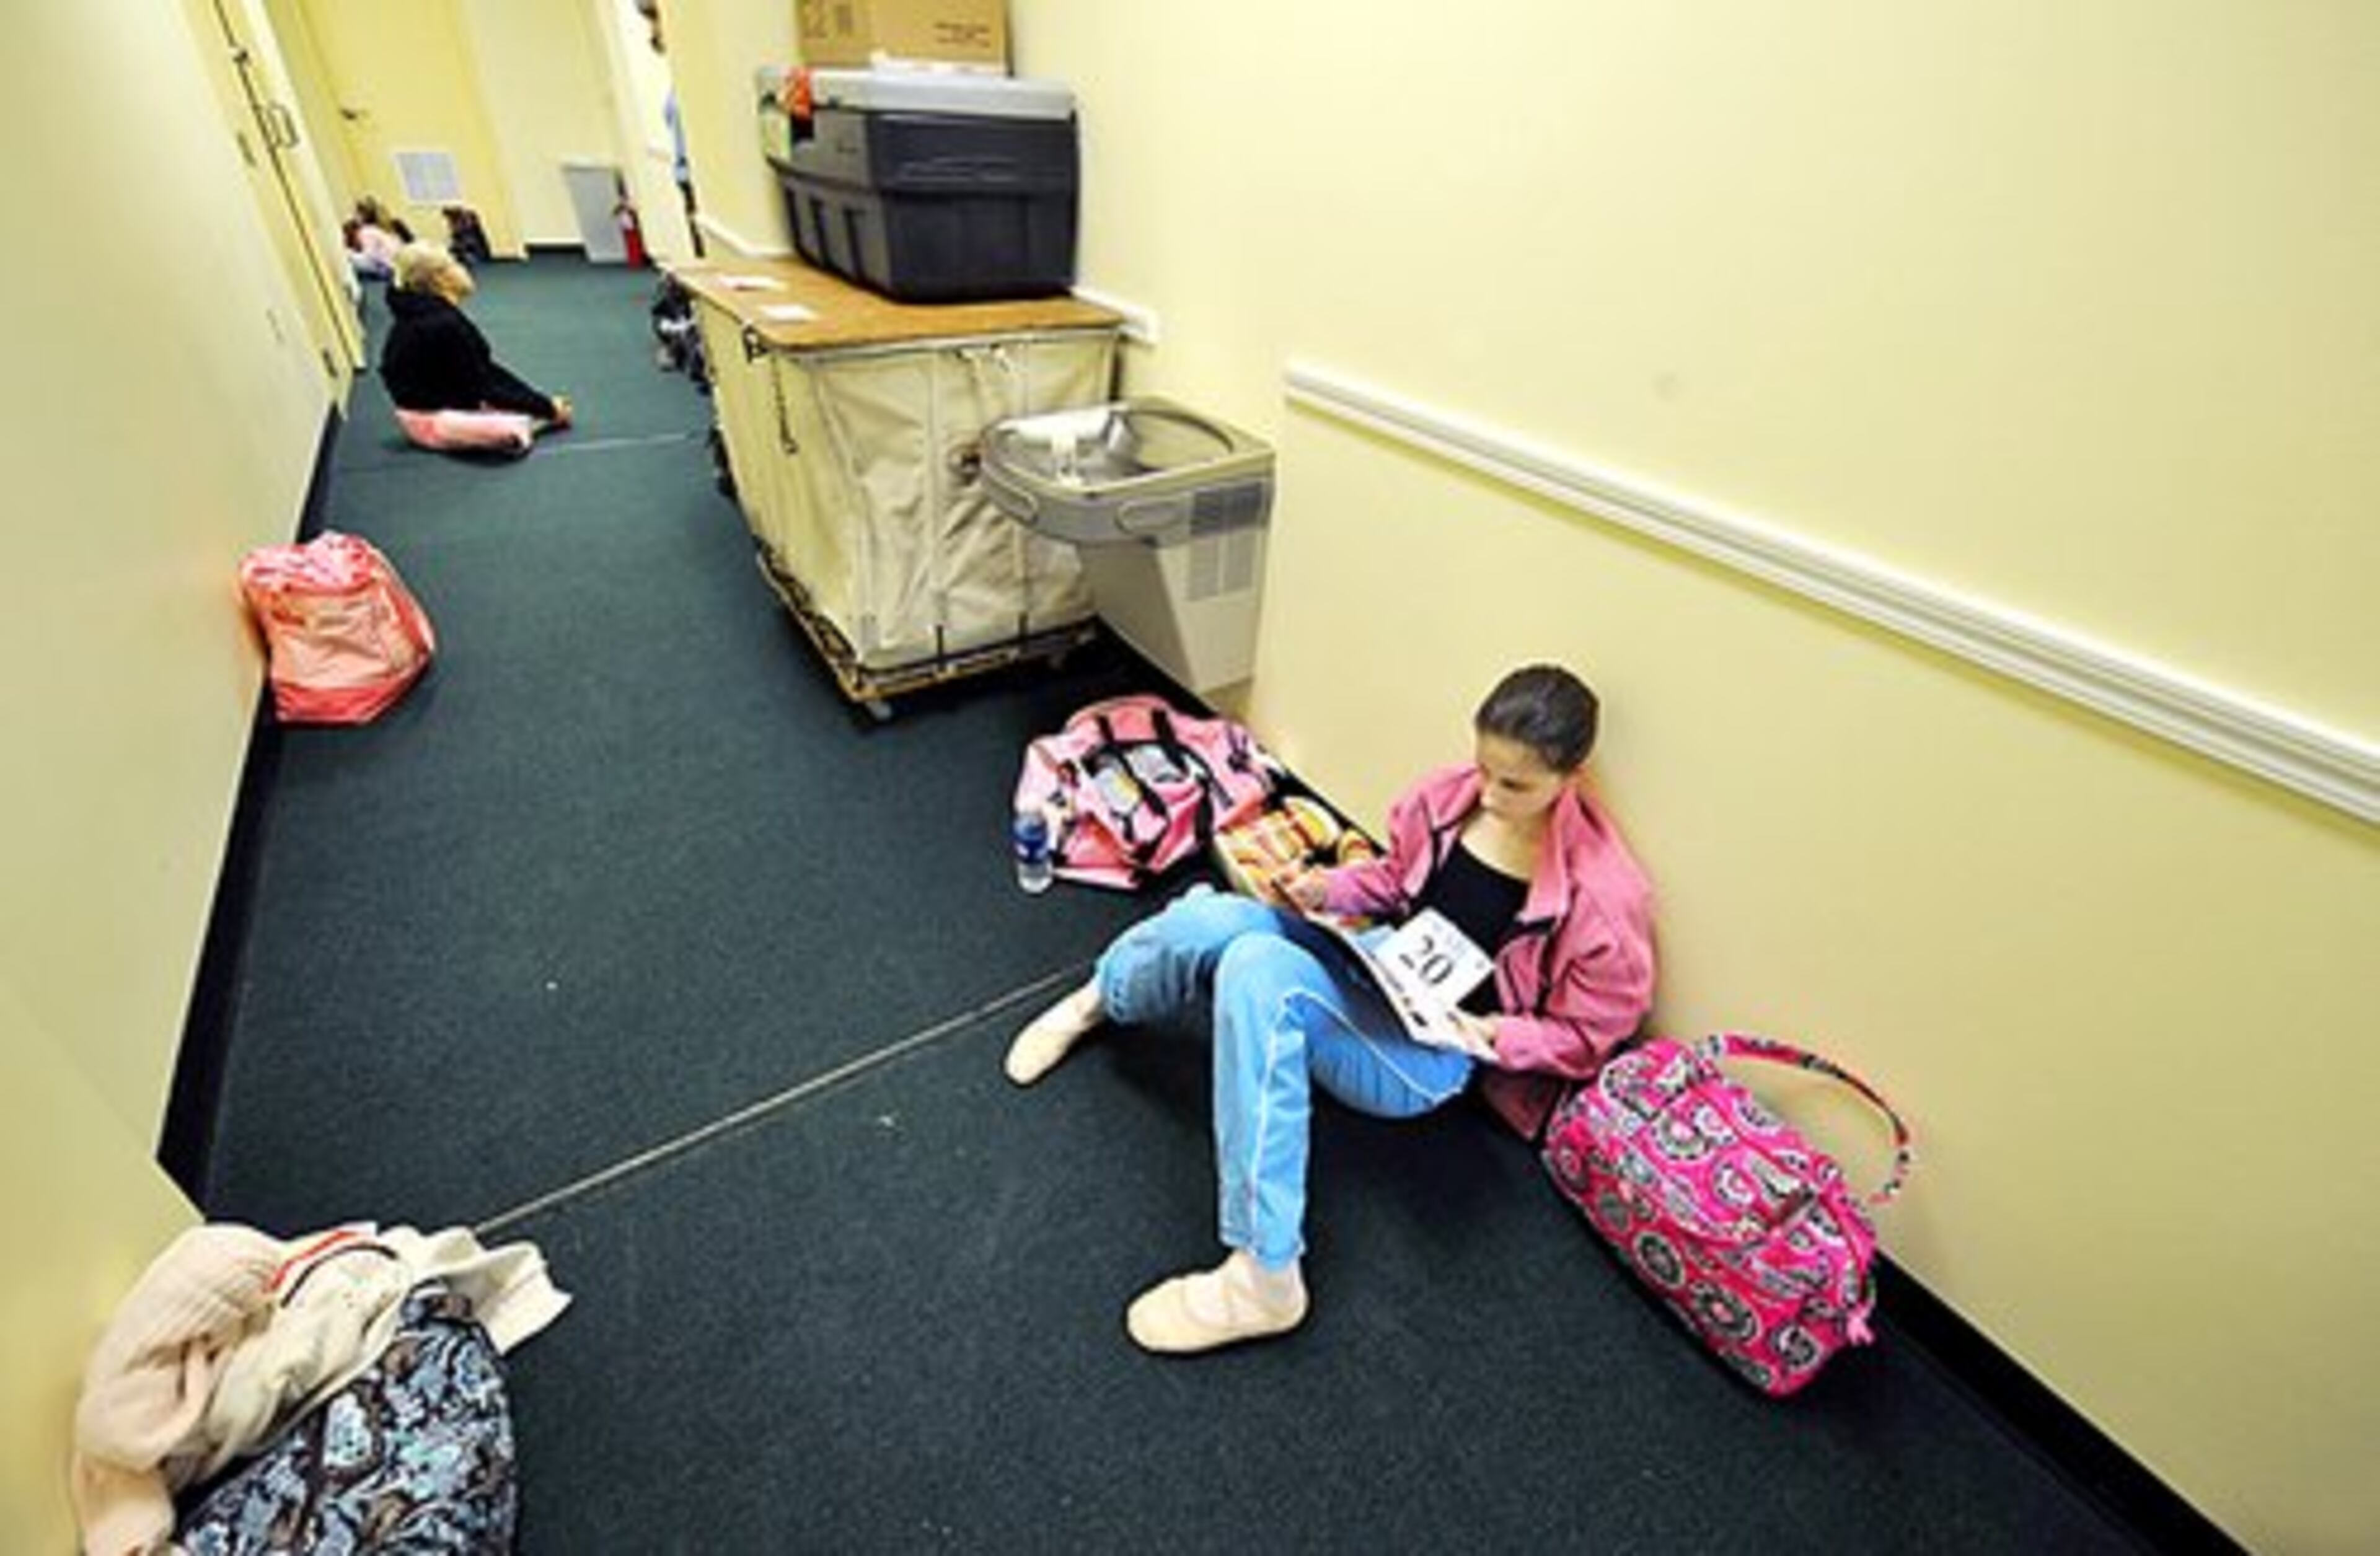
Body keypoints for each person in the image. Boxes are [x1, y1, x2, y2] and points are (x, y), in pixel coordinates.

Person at [1005, 664, 1657, 1355]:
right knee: (1218, 919)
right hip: (1380, 968)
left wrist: (1498, 1033)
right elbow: (1394, 879)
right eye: (1484, 768)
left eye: (1516, 785)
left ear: (1571, 775)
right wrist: (1327, 890)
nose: (1489, 796)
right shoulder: (1450, 797)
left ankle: (1265, 1276)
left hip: (1433, 1056)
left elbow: (1590, 1038)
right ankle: (1104, 996)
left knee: (1263, 976)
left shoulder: (1604, 899)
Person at [381, 242, 572, 457]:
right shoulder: (441, 323)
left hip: (432, 406)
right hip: (432, 419)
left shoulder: (427, 315)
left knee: (514, 405)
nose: (463, 269)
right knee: (512, 430)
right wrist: (546, 408)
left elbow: (484, 371)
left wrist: (540, 402)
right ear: (439, 279)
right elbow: (485, 384)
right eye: (454, 264)